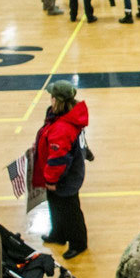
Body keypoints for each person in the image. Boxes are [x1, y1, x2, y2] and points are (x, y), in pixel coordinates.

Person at [33, 80, 88, 259]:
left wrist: (51, 181)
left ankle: (78, 243)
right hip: (63, 175)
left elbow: (59, 160)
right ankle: (58, 234)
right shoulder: (62, 116)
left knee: (70, 211)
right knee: (55, 205)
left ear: (57, 100)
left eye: (52, 96)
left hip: (64, 179)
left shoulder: (63, 128)